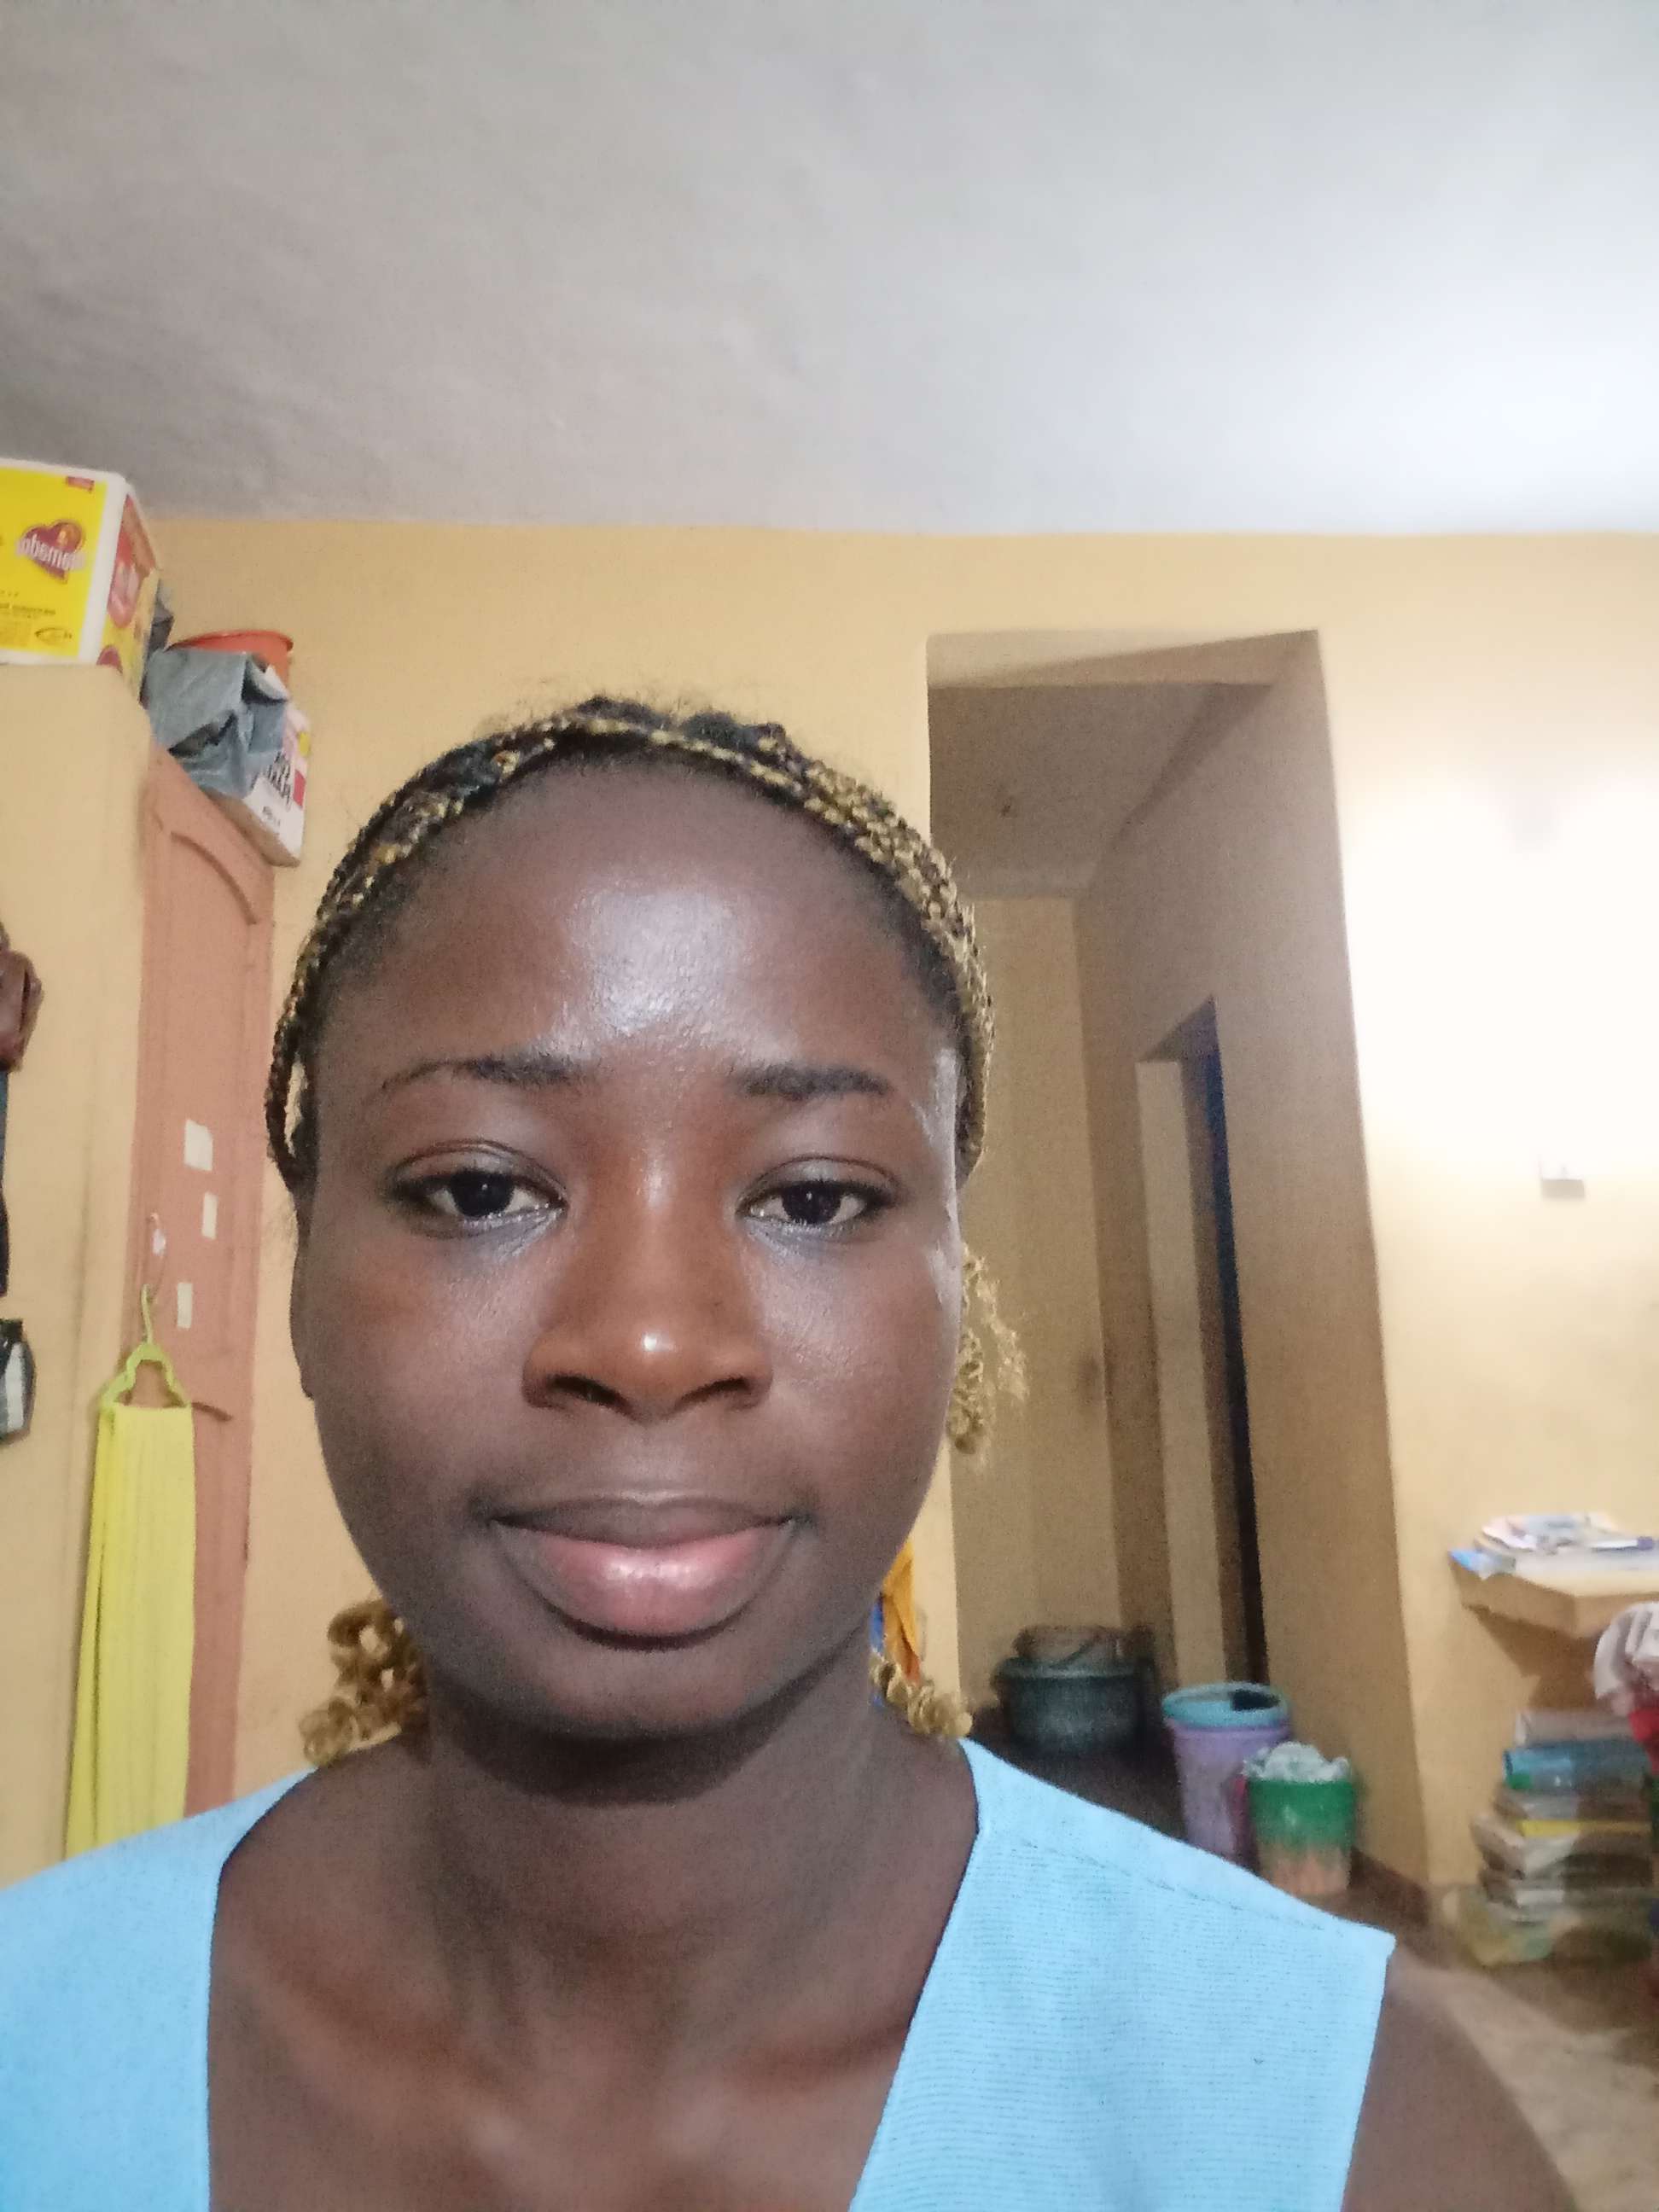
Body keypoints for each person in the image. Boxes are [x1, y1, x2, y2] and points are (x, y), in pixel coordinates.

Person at [0, 698, 1569, 2210]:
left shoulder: (1347, 2134)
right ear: (300, 1286)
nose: (650, 1341)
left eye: (814, 1198)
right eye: (480, 1190)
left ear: (960, 1299)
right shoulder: (37, 2038)